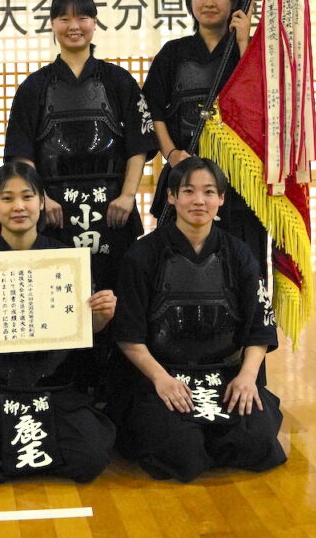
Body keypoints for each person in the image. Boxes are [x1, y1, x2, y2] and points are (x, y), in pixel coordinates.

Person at [0, 162, 118, 490]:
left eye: (27, 196)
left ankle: (9, 456)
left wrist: (101, 316)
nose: (18, 207)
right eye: (8, 198)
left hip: (53, 389)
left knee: (91, 456)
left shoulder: (66, 259)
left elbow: (89, 330)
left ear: (42, 202)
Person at [110, 157, 286, 482]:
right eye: (188, 191)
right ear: (172, 197)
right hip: (164, 376)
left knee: (258, 440)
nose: (199, 201)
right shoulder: (142, 255)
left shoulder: (239, 253)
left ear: (221, 198)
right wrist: (161, 379)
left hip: (224, 374)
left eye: (209, 192)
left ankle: (212, 435)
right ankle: (199, 439)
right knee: (181, 452)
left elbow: (260, 327)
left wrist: (248, 377)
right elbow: (128, 336)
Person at [3, 0, 155, 293]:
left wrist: (127, 196)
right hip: (56, 209)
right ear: (52, 24)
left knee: (117, 293)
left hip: (113, 206)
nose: (74, 26)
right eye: (64, 18)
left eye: (82, 17)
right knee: (57, 293)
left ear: (95, 23)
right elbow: (22, 152)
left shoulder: (119, 80)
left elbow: (139, 145)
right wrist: (42, 199)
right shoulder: (35, 86)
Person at [142, 0, 266, 267]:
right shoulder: (173, 53)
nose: (209, 2)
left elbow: (262, 102)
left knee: (242, 267)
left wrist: (243, 42)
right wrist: (171, 154)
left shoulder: (251, 52)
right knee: (178, 265)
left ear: (236, 2)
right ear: (189, 1)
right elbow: (153, 109)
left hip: (240, 182)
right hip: (186, 173)